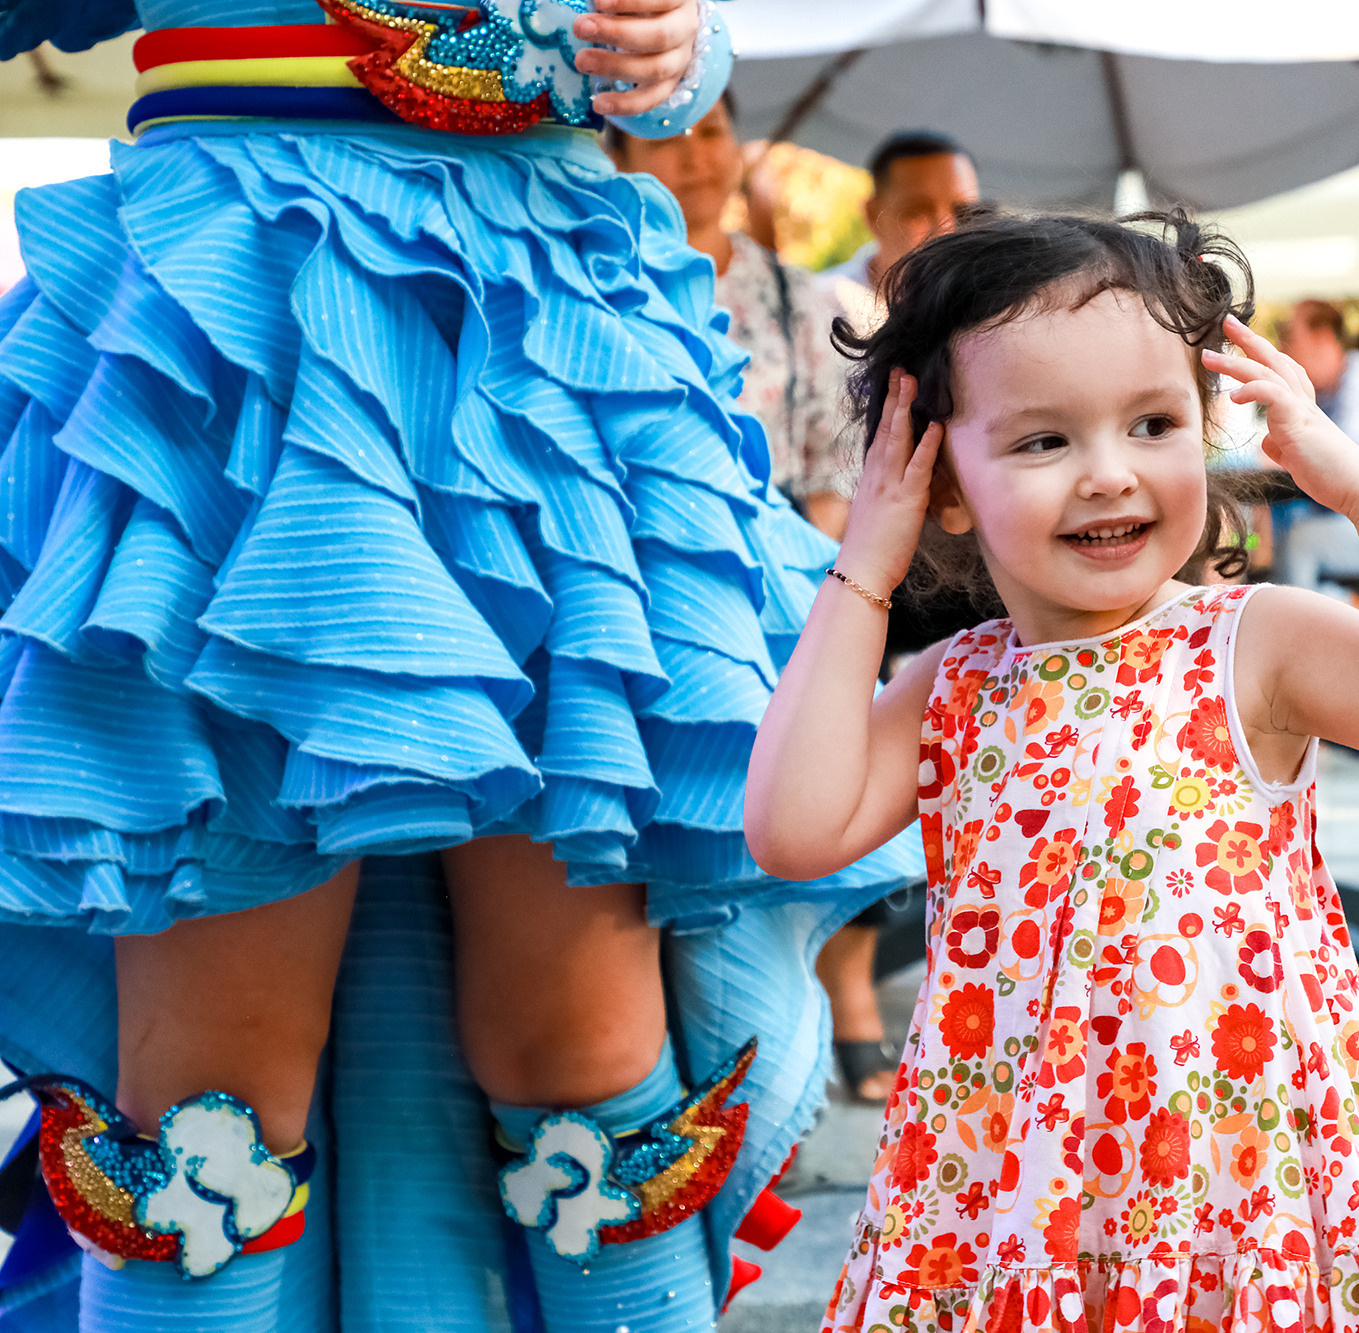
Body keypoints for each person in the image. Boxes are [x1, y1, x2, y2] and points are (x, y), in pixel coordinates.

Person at [0, 2, 918, 1330]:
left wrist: (678, 48)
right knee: (210, 1098)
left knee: (585, 1050)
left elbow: (668, 51)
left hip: (540, 327)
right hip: (239, 309)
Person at [745, 210, 1359, 1332]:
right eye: (1043, 441)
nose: (1107, 474)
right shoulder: (952, 682)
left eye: (1151, 423)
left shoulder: (1253, 645)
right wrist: (863, 567)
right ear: (940, 482)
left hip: (1236, 1184)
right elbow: (791, 831)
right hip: (1009, 1193)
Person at [811, 129, 984, 1103]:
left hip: (957, 573)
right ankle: (855, 998)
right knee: (863, 729)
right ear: (875, 216)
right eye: (919, 209)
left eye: (958, 208)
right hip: (861, 570)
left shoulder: (990, 304)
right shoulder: (831, 307)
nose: (940, 228)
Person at [605, 92, 853, 537]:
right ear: (617, 159)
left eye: (712, 131)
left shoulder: (790, 292)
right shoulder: (605, 289)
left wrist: (795, 566)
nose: (694, 155)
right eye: (665, 135)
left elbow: (837, 461)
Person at [1272, 300, 1359, 599]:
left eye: (1289, 336)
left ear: (1323, 337)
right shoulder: (1326, 391)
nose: (1283, 349)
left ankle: (1302, 637)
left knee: (1300, 541)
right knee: (1291, 530)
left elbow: (1338, 458)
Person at [818, 129, 981, 336]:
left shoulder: (993, 313)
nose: (946, 229)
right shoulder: (821, 310)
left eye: (964, 212)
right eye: (917, 211)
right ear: (872, 215)